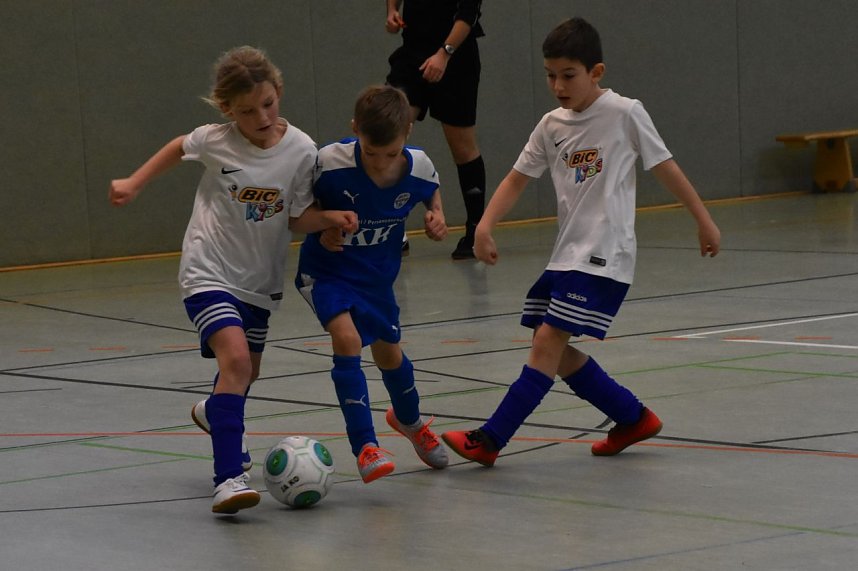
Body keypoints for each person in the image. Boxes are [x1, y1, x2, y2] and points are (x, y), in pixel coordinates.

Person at [441, 17, 721, 466]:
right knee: (551, 345)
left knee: (548, 339)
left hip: (604, 255)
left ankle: (490, 439)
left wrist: (703, 220)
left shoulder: (625, 113)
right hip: (566, 254)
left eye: (568, 75)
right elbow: (516, 179)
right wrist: (483, 225)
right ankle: (633, 417)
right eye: (550, 75)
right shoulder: (551, 125)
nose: (557, 85)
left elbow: (665, 165)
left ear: (597, 72)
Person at [108, 46, 357, 514]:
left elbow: (296, 217)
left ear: (278, 92)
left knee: (244, 373)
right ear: (228, 109)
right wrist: (134, 182)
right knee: (238, 362)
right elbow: (177, 147)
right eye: (247, 111)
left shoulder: (302, 150)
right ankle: (228, 478)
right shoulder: (214, 140)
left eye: (268, 103)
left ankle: (212, 411)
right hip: (208, 270)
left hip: (259, 282)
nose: (261, 116)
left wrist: (328, 219)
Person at [295, 85, 450, 483]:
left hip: (378, 279)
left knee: (389, 356)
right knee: (347, 341)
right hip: (328, 272)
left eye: (391, 154)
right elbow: (299, 216)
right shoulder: (328, 164)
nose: (381, 163)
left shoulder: (418, 165)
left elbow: (432, 193)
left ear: (409, 133)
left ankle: (411, 423)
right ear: (354, 131)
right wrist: (326, 223)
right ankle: (365, 446)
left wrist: (436, 216)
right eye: (372, 153)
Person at [385, 0, 486, 260]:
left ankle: (476, 230)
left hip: (456, 57)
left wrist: (444, 54)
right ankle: (392, 228)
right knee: (387, 130)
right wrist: (392, 11)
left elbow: (469, 13)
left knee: (462, 145)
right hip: (413, 52)